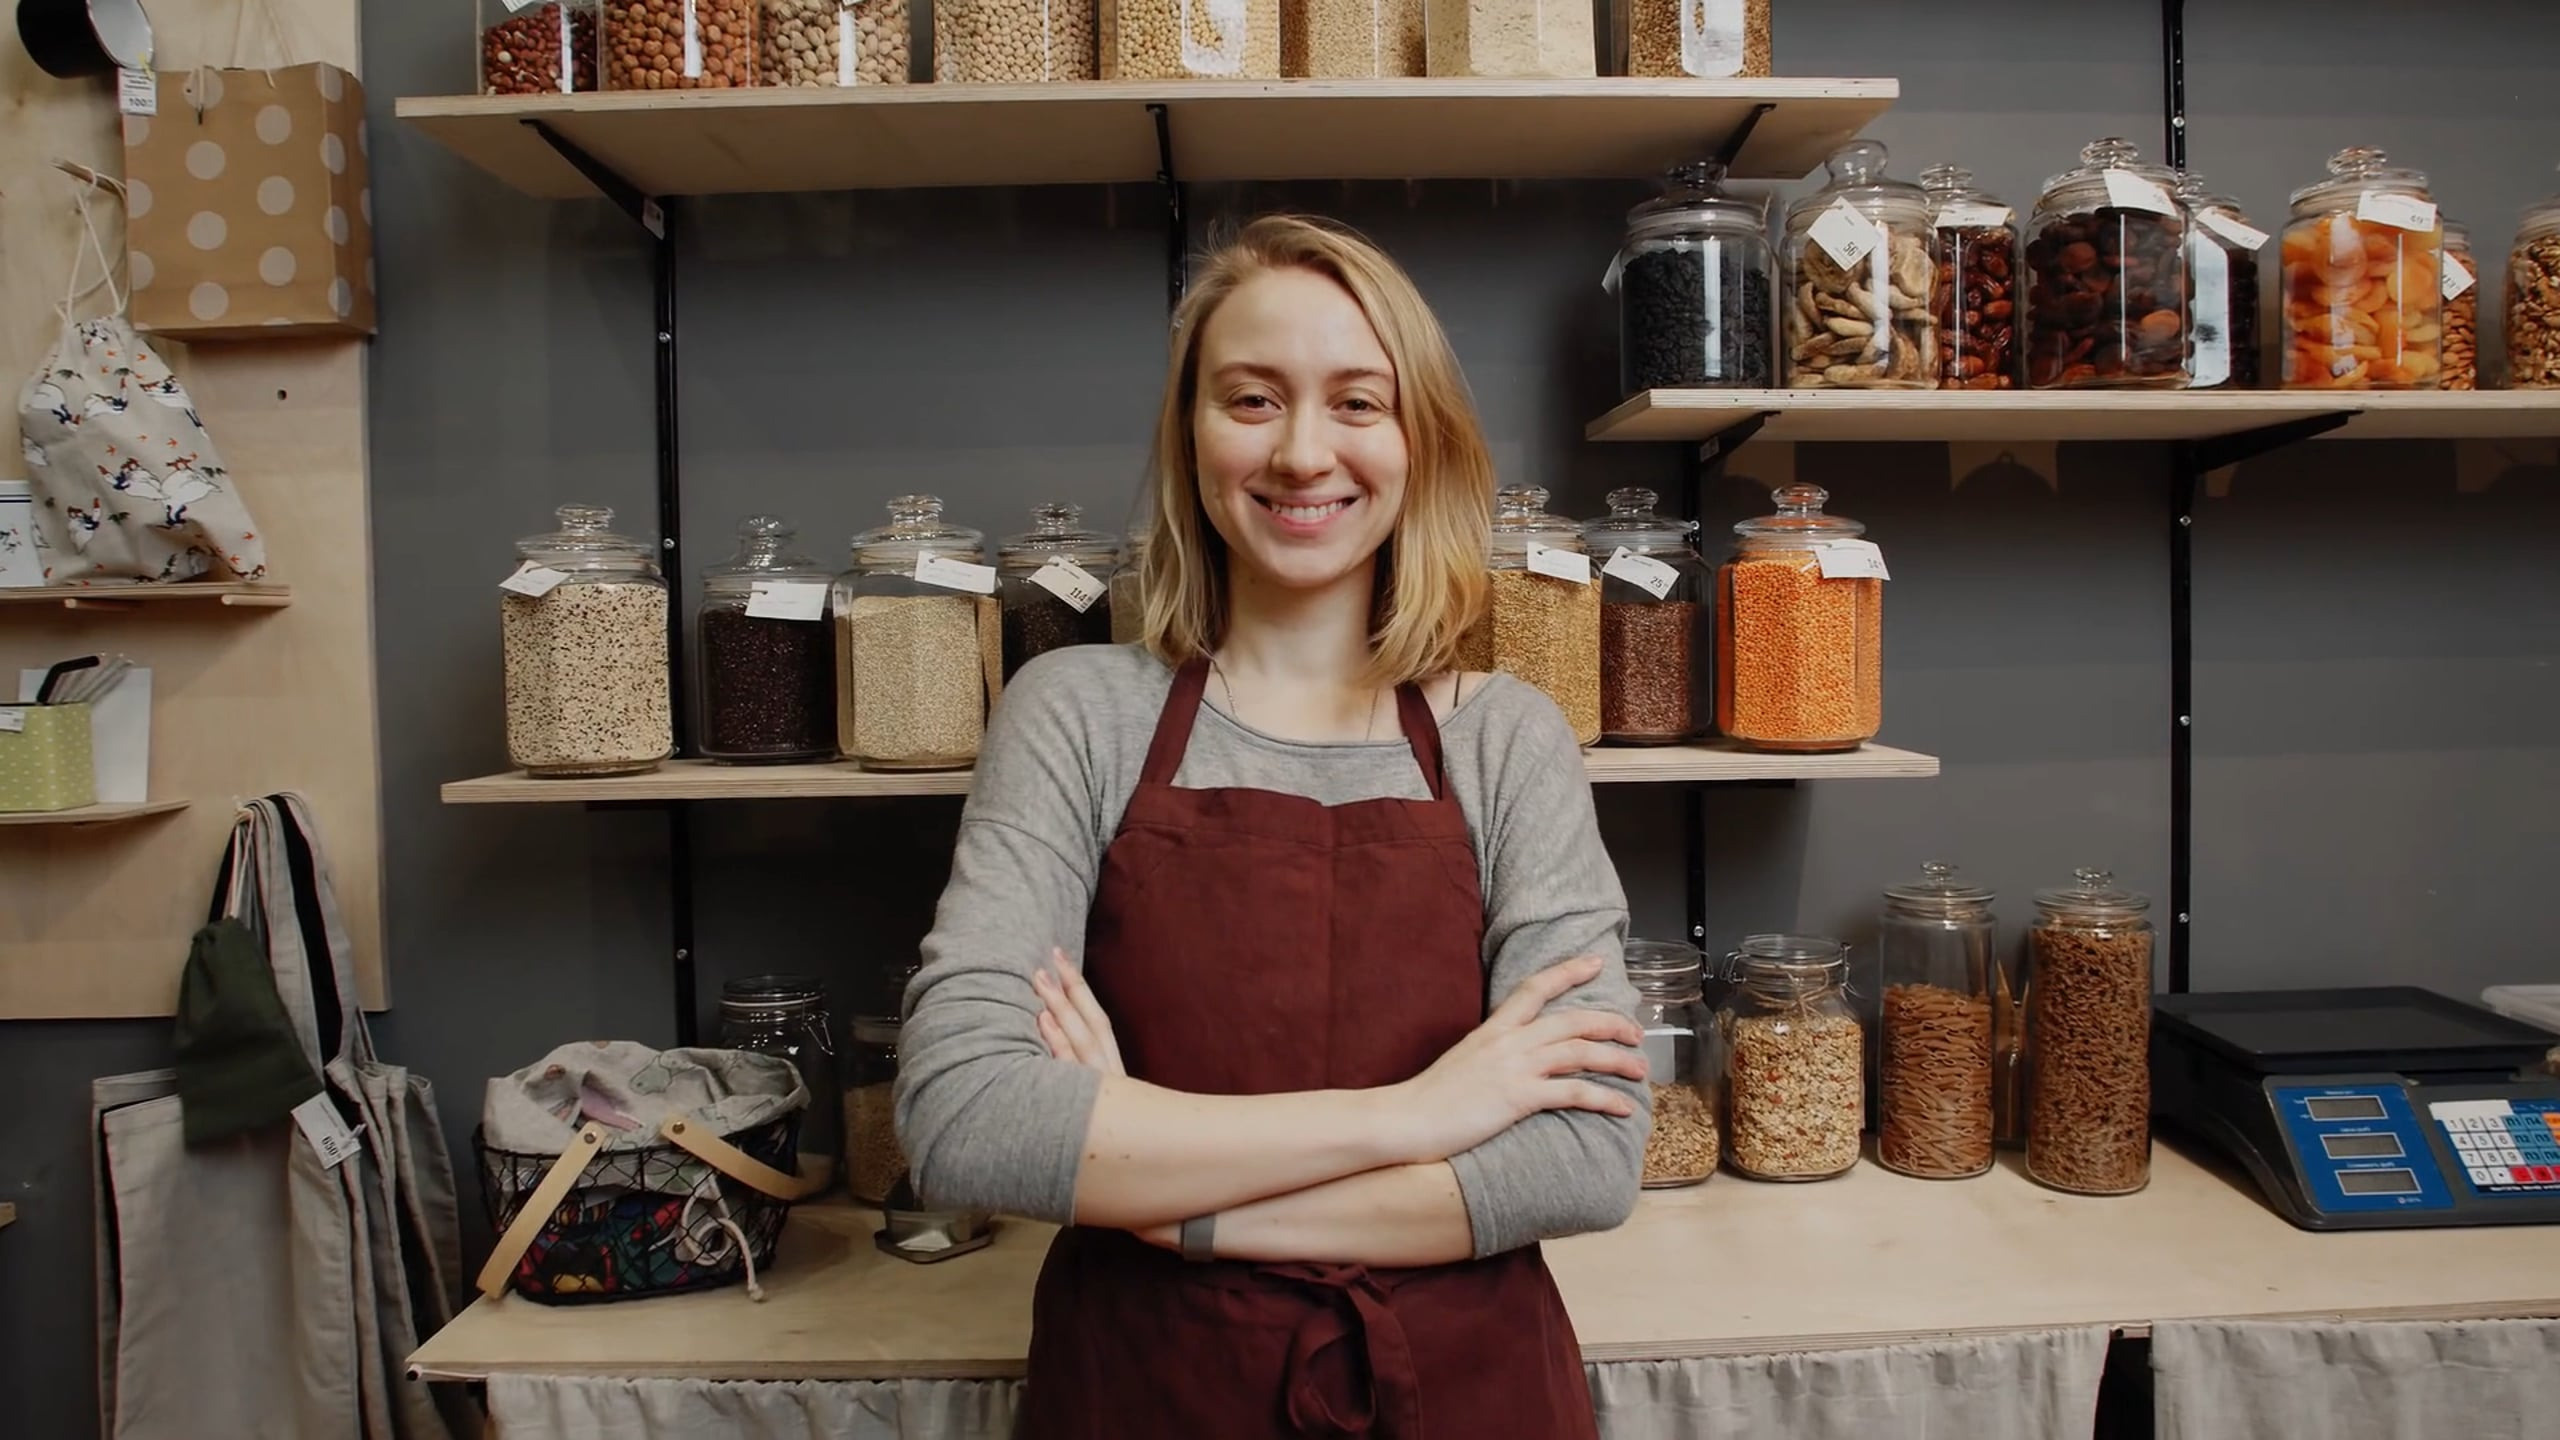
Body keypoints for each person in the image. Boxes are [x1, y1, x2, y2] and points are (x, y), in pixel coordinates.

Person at [894, 214, 1650, 1439]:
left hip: (1466, 1390)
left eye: (1358, 402)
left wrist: (1164, 1195)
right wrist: (1413, 1115)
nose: (1304, 452)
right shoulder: (1077, 714)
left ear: (1420, 443)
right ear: (1191, 438)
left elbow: (1581, 1159)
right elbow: (968, 1118)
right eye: (1252, 400)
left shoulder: (1507, 739)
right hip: (1148, 1389)